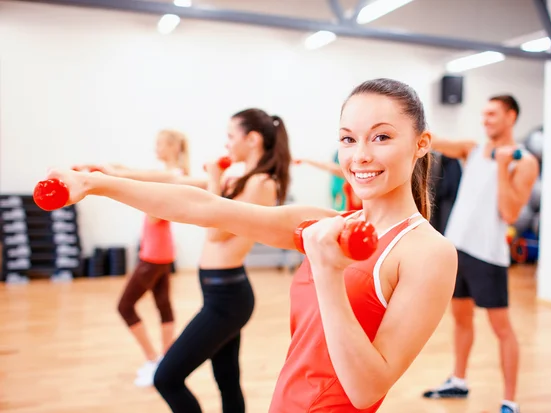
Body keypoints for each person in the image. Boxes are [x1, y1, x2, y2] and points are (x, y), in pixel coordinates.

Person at [44, 78, 458, 412]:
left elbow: (366, 390)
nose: (360, 156)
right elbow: (204, 207)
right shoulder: (327, 225)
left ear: (421, 144)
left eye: (381, 137)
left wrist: (328, 274)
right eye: (348, 139)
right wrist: (97, 184)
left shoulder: (427, 253)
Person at [79, 109, 291, 413]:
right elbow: (170, 181)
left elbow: (217, 232)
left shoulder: (262, 184)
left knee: (167, 378)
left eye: (231, 136)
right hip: (220, 292)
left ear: (252, 139)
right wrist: (107, 174)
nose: (227, 144)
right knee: (227, 378)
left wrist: (216, 181)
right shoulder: (242, 177)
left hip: (228, 298)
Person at [421, 95, 539, 413]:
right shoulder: (471, 150)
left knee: (502, 329)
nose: (485, 119)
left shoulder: (524, 161)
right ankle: (459, 381)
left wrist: (502, 165)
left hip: (488, 255)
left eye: (493, 113)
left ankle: (509, 401)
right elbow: (433, 141)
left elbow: (510, 213)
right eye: (484, 113)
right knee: (460, 319)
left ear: (511, 116)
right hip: (456, 249)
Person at [75, 129, 190, 387]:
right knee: (163, 305)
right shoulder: (165, 174)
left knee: (125, 306)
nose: (156, 148)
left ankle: (153, 360)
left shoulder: (175, 176)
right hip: (160, 251)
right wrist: (97, 169)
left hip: (155, 254)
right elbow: (130, 171)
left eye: (160, 144)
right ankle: (166, 360)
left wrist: (111, 178)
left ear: (173, 147)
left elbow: (155, 213)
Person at [294, 156, 363, 210]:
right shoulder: (349, 174)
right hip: (351, 215)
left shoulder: (354, 175)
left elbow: (331, 167)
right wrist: (306, 160)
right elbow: (328, 166)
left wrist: (306, 160)